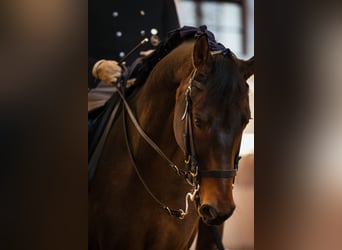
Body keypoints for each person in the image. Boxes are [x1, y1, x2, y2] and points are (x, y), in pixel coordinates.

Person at [88, 0, 180, 111]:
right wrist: (96, 67)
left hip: (154, 84)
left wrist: (160, 55)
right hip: (103, 88)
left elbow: (176, 43)